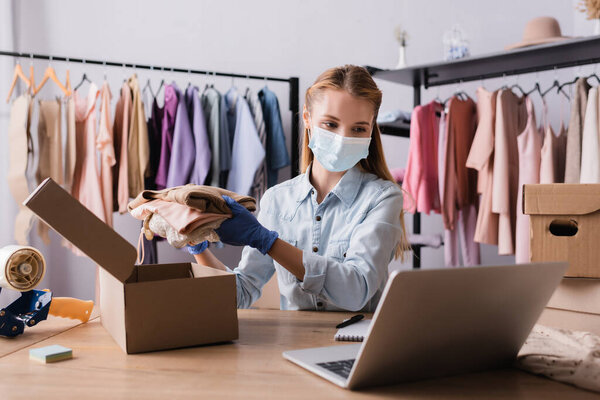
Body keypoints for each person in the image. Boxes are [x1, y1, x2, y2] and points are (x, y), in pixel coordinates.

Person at [188, 65, 410, 312]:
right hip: (291, 346)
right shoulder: (276, 200)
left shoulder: (382, 197)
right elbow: (240, 293)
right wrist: (198, 246)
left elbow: (356, 290)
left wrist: (268, 242)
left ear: (371, 129)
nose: (342, 138)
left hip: (357, 346)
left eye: (358, 129)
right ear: (307, 118)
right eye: (330, 124)